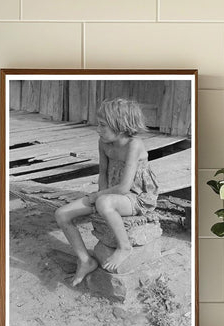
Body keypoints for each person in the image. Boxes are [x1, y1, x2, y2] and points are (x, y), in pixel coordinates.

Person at [55, 98, 159, 286]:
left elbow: (124, 188)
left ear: (120, 126)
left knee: (104, 203)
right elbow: (103, 173)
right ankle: (86, 261)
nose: (98, 129)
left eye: (103, 125)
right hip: (110, 195)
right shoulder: (104, 143)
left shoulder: (134, 145)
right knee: (62, 214)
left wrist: (98, 198)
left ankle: (124, 247)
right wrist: (100, 195)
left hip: (137, 197)